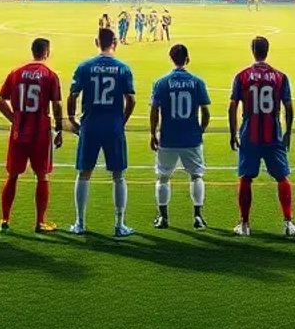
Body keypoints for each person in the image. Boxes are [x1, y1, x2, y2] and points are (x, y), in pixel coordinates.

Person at [67, 26, 136, 236]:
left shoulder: (85, 66)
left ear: (96, 42)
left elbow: (72, 95)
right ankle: (119, 224)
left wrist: (71, 118)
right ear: (114, 43)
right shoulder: (123, 68)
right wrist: (121, 120)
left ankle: (80, 223)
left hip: (90, 124)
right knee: (118, 175)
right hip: (113, 125)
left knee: (84, 173)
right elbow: (131, 100)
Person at [228, 35, 295, 237]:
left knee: (246, 177)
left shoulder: (242, 76)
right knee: (282, 177)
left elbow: (232, 105)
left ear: (253, 51)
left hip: (249, 132)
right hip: (273, 132)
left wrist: (233, 133)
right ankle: (288, 223)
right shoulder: (280, 77)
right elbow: (288, 106)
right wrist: (288, 131)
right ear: (267, 51)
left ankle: (244, 224)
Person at [0, 37, 64, 233]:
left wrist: (14, 119)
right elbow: (57, 104)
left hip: (19, 133)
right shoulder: (50, 75)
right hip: (40, 134)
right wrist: (59, 129)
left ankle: (4, 219)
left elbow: (0, 100)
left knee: (13, 176)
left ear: (32, 51)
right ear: (47, 52)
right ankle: (40, 222)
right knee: (42, 176)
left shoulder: (16, 73)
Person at [149, 43, 212, 229]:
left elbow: (154, 111)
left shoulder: (161, 82)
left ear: (171, 58)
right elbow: (206, 112)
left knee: (163, 177)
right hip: (191, 138)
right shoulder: (197, 82)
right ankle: (198, 217)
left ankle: (163, 218)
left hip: (168, 138)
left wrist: (153, 133)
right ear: (187, 59)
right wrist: (199, 130)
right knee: (196, 176)